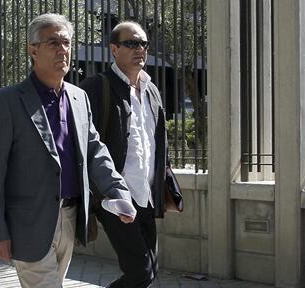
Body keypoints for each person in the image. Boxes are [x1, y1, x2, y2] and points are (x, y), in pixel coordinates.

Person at [0, 13, 136, 288]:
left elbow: (94, 150)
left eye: (66, 42)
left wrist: (117, 190)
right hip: (28, 224)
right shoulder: (7, 101)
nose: (63, 50)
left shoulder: (79, 97)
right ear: (33, 50)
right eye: (53, 43)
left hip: (71, 218)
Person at [79, 21, 170, 288]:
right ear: (114, 49)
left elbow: (158, 142)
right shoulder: (96, 88)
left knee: (149, 272)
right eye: (131, 43)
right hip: (115, 196)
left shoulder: (152, 90)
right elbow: (85, 142)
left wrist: (165, 183)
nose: (139, 49)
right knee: (140, 272)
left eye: (143, 44)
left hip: (147, 195)